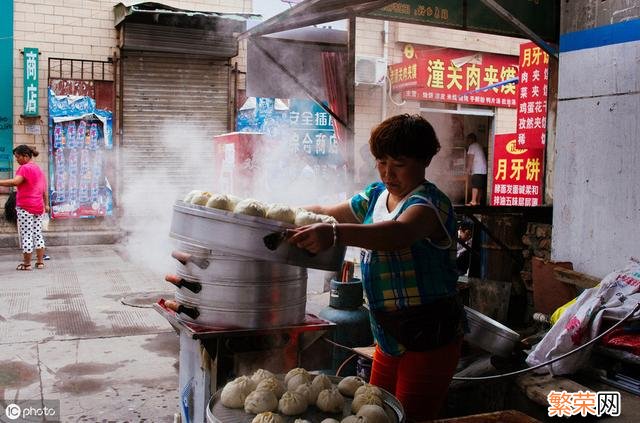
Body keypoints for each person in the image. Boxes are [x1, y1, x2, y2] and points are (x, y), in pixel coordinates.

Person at [287, 114, 465, 421]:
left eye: (399, 163)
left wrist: (335, 233)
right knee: (371, 413)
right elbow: (327, 212)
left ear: (423, 161)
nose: (387, 173)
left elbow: (397, 234)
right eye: (381, 162)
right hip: (388, 336)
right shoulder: (374, 196)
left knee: (408, 416)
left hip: (428, 338)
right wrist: (283, 213)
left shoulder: (429, 204)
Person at [0, 145, 49, 270]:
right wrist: (46, 204)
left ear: (25, 156)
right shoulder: (38, 169)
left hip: (26, 207)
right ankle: (40, 262)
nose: (17, 160)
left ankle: (27, 264)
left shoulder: (24, 168)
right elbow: (44, 190)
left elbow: (15, 182)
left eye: (18, 157)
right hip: (38, 207)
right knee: (38, 234)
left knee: (27, 235)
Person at [465, 133, 487, 206]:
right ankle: (478, 202)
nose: (467, 142)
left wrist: (468, 169)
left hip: (477, 169)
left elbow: (470, 159)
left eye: (468, 140)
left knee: (475, 185)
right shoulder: (478, 145)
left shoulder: (472, 146)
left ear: (471, 140)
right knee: (480, 186)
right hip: (483, 169)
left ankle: (473, 201)